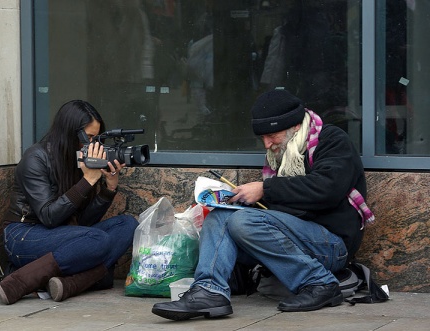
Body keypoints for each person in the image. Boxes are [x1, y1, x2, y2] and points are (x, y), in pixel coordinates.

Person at [152, 89, 374, 320]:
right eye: (263, 138)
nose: (267, 144)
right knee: (221, 215)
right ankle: (209, 291)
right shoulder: (283, 152)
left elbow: (327, 189)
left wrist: (265, 189)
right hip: (292, 236)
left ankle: (319, 282)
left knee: (242, 221)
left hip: (332, 246)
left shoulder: (332, 140)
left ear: (295, 126)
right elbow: (284, 209)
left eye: (272, 136)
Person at [0, 100, 139, 305]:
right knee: (99, 242)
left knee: (128, 225)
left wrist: (109, 188)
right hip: (25, 234)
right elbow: (49, 217)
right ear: (70, 132)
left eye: (97, 138)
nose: (93, 144)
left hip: (63, 234)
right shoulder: (36, 158)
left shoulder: (79, 158)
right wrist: (88, 180)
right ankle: (19, 282)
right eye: (89, 137)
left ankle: (70, 283)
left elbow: (83, 222)